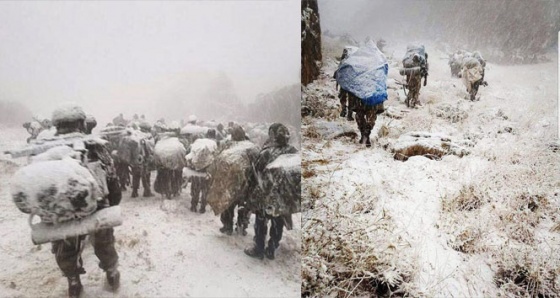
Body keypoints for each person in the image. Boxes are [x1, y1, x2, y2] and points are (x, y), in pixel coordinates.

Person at [49, 105, 121, 298]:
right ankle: (111, 273)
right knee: (104, 243)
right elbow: (112, 177)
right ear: (81, 123)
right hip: (96, 208)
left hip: (61, 213)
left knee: (66, 248)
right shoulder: (95, 147)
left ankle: (73, 281)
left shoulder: (48, 150)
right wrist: (113, 202)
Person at [244, 123, 297, 260]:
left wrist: (250, 191)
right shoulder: (293, 152)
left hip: (266, 194)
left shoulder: (267, 152)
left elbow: (255, 172)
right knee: (278, 222)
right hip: (284, 195)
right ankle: (272, 248)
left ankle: (259, 248)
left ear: (272, 135)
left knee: (261, 221)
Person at [218, 125, 251, 236]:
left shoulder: (228, 146)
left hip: (232, 182)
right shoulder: (251, 147)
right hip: (244, 183)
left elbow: (220, 161)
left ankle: (228, 226)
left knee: (228, 205)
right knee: (242, 206)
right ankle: (241, 226)